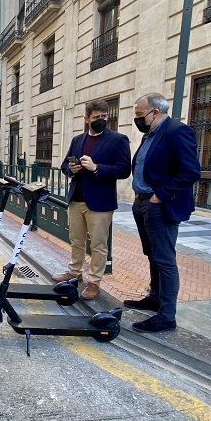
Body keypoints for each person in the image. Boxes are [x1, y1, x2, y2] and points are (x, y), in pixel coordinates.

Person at [126, 93, 201, 333]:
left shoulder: (177, 131)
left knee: (164, 260)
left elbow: (190, 172)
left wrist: (161, 195)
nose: (137, 119)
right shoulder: (150, 134)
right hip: (142, 202)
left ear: (154, 112)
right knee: (152, 254)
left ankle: (167, 316)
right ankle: (155, 297)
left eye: (139, 114)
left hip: (159, 204)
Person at [51, 100, 131, 300]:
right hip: (76, 199)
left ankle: (94, 281)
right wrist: (72, 169)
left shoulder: (118, 140)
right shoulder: (78, 140)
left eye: (104, 117)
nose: (101, 120)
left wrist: (96, 168)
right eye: (97, 117)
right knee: (76, 241)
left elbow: (124, 170)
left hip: (100, 202)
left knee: (98, 245)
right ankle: (74, 273)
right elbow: (64, 165)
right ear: (87, 119)